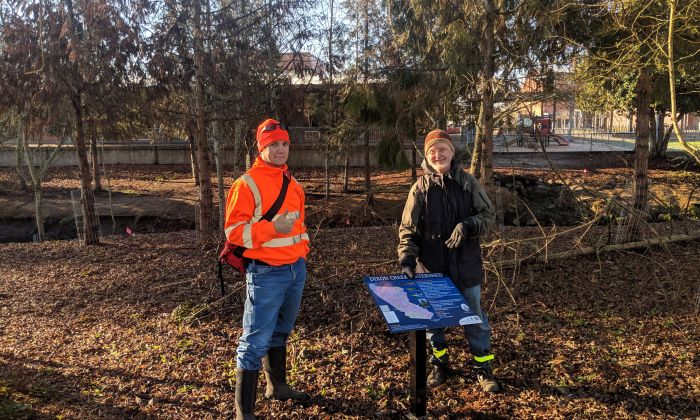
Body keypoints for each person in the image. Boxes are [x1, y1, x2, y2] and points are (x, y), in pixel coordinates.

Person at [397, 129, 499, 392]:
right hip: (431, 271)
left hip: (466, 267)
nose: (438, 155)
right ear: (427, 157)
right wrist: (407, 260)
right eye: (433, 151)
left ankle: (483, 367)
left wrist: (468, 225)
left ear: (452, 153)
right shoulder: (419, 189)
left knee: (474, 321)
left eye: (443, 150)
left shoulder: (468, 183)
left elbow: (488, 216)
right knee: (433, 323)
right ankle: (439, 364)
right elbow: (408, 229)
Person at [224, 118, 310, 419]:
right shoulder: (246, 184)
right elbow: (234, 232)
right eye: (274, 145)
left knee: (281, 331)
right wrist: (271, 228)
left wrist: (303, 253)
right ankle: (243, 413)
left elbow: (300, 225)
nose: (281, 149)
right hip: (266, 273)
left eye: (284, 144)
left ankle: (277, 387)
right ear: (262, 148)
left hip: (295, 269)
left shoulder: (292, 181)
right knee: (254, 340)